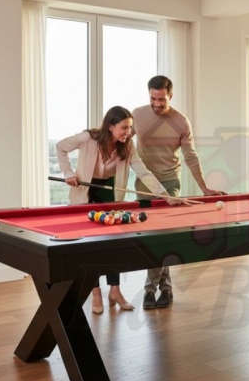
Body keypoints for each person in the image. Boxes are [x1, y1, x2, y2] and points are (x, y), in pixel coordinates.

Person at [56, 105, 187, 314]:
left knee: (112, 245)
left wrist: (165, 196)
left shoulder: (127, 146)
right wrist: (68, 173)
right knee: (91, 247)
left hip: (109, 194)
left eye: (130, 128)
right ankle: (95, 292)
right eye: (124, 128)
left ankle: (115, 290)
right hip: (85, 194)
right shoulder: (88, 138)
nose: (128, 132)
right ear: (110, 126)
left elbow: (143, 171)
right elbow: (61, 147)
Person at [132, 75, 226, 309]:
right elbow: (121, 138)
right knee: (151, 237)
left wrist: (204, 188)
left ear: (170, 96)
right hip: (144, 183)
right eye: (153, 98)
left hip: (170, 183)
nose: (156, 104)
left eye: (162, 99)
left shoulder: (181, 122)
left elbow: (191, 157)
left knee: (161, 237)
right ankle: (166, 288)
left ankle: (149, 290)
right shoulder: (137, 115)